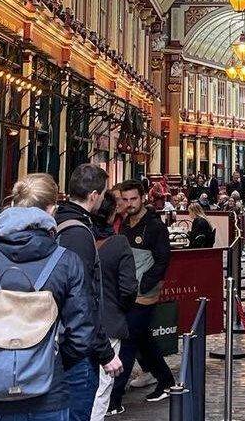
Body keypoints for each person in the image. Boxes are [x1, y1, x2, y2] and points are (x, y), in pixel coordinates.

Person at [0, 173, 95, 421]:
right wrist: (50, 363)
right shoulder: (66, 262)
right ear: (52, 209)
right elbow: (82, 333)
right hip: (48, 398)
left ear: (13, 205)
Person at [55, 164, 124, 421]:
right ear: (94, 195)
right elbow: (83, 295)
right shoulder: (79, 233)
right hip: (76, 347)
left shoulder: (60, 220)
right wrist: (105, 351)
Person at [112, 180, 175, 410]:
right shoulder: (125, 222)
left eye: (133, 199)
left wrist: (147, 282)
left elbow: (163, 259)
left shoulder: (155, 226)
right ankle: (167, 381)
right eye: (125, 199)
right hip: (127, 291)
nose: (129, 204)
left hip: (143, 294)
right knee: (143, 340)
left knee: (128, 342)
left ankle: (114, 399)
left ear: (143, 198)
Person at [90, 190, 138, 421]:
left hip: (76, 324)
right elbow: (129, 288)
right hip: (109, 322)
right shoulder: (119, 244)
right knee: (102, 385)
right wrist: (121, 309)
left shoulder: (76, 238)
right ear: (111, 216)